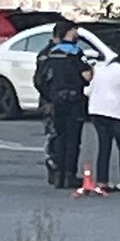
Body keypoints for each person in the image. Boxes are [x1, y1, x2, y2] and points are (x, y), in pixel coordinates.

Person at [40, 21, 92, 190]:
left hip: (56, 100)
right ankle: (69, 174)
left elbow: (42, 79)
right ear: (68, 32)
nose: (77, 33)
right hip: (74, 99)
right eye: (74, 30)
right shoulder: (76, 52)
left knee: (60, 137)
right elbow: (87, 76)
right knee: (73, 139)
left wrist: (49, 96)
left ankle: (58, 175)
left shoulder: (51, 53)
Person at [88, 47, 120, 191]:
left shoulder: (103, 69)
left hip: (97, 111)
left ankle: (102, 181)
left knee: (104, 146)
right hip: (116, 112)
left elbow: (90, 91)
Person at [35, 20, 68, 183]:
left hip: (52, 100)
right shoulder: (49, 54)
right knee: (54, 135)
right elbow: (40, 80)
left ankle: (58, 169)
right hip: (51, 101)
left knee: (58, 135)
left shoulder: (47, 52)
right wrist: (50, 98)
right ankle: (54, 166)